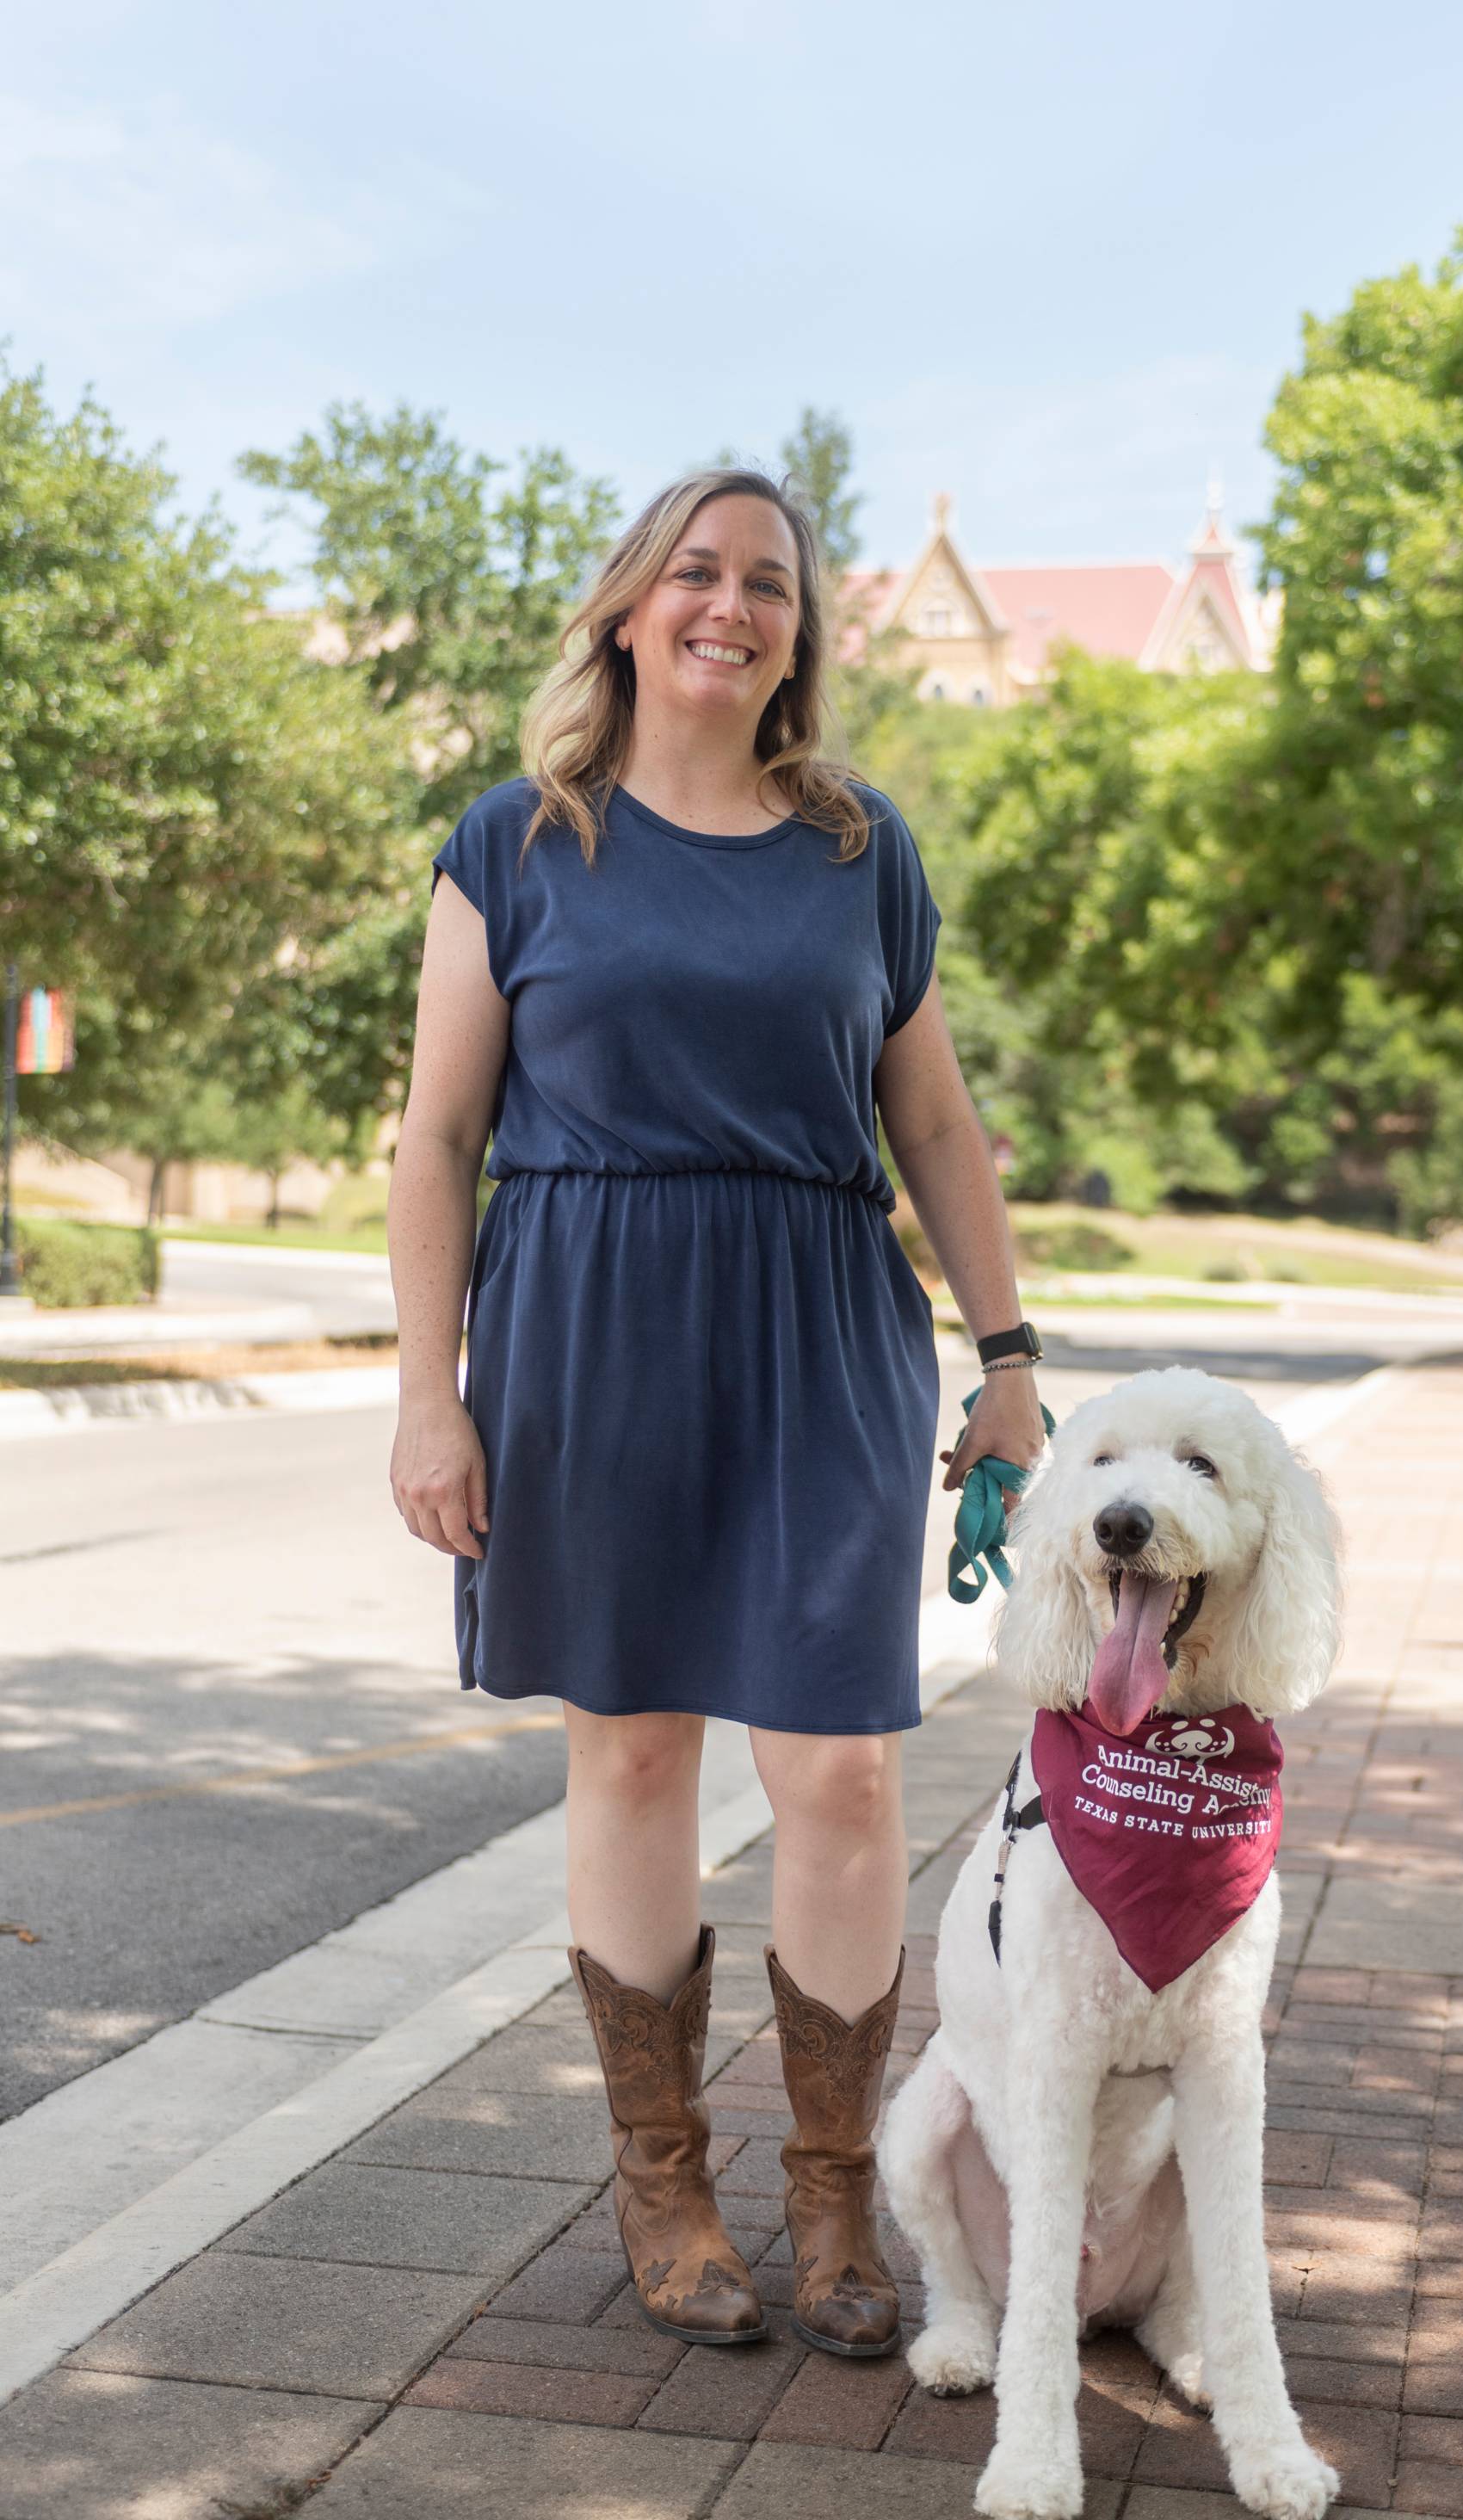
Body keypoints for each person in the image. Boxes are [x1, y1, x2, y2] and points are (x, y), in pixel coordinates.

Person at [387, 466, 1046, 2360]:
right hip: (583, 1327)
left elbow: (930, 1120)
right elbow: (437, 1134)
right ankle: (661, 2183)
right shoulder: (517, 841)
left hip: (820, 1320)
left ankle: (831, 2198)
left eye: (768, 581)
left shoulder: (860, 847)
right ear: (623, 609)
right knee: (634, 1757)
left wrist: (1005, 1360)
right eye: (694, 571)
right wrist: (426, 1397)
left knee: (837, 1764)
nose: (730, 604)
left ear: (798, 633)